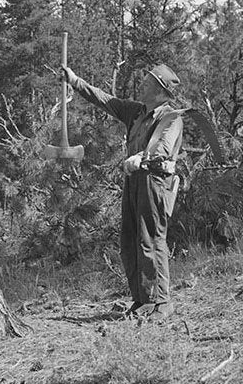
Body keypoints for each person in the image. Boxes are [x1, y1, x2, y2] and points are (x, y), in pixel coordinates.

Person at [60, 63, 218, 319]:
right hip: (135, 181)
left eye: (147, 83)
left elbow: (163, 149)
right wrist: (76, 81)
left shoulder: (171, 117)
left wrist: (142, 158)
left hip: (155, 183)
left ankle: (162, 302)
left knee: (152, 240)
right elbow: (106, 100)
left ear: (159, 90)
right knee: (130, 242)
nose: (141, 86)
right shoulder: (135, 112)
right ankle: (143, 299)